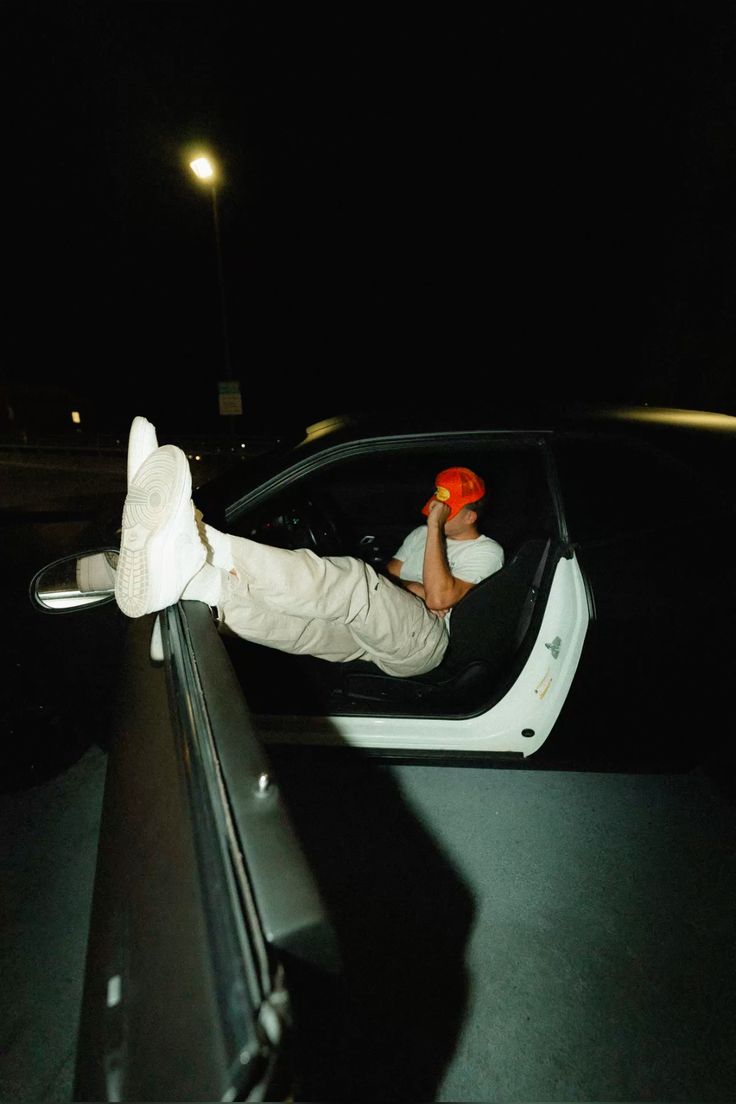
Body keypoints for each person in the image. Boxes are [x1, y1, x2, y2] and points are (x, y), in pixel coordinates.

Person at [114, 417, 504, 678]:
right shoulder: (423, 537)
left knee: (354, 581)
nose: (434, 510)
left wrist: (433, 528)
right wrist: (410, 575)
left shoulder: (488, 552)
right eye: (435, 504)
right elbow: (394, 579)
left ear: (471, 515)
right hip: (383, 640)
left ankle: (207, 543)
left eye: (446, 507)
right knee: (303, 624)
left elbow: (436, 599)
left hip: (426, 642)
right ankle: (201, 587)